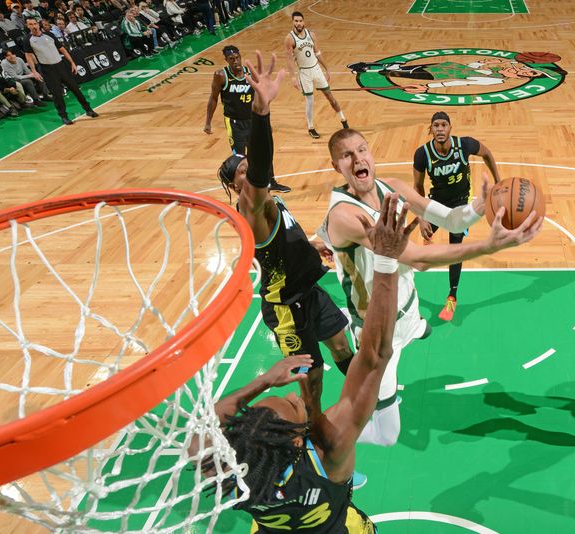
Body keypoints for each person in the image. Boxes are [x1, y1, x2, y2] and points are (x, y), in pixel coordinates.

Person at [321, 128, 543, 447]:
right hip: (378, 333)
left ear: (371, 154)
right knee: (388, 435)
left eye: (362, 150)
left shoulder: (393, 188)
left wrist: (478, 208)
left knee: (418, 321)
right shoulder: (344, 216)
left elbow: (452, 221)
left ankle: (418, 326)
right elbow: (419, 259)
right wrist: (487, 247)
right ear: (336, 166)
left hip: (409, 308)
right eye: (347, 155)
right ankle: (320, 442)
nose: (358, 158)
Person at [211, 192, 413, 533]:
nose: (294, 396)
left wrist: (262, 383)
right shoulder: (328, 452)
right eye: (294, 408)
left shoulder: (238, 471)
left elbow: (211, 419)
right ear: (295, 441)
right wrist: (386, 261)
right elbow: (375, 355)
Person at [412, 111, 502, 321]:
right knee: (415, 241)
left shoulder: (465, 145)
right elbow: (417, 186)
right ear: (431, 129)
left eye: (444, 125)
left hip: (460, 203)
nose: (440, 129)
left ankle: (452, 295)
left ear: (450, 128)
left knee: (456, 249)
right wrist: (421, 217)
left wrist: (499, 181)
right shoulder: (422, 153)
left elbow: (487, 153)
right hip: (436, 203)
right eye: (436, 125)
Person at [207, 46, 291, 193]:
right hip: (234, 123)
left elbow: (262, 95)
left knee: (265, 150)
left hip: (253, 119)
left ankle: (271, 182)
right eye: (231, 59)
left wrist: (265, 119)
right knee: (240, 159)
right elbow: (213, 98)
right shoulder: (221, 75)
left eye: (237, 57)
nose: (235, 61)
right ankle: (243, 188)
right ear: (226, 60)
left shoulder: (249, 74)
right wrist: (208, 122)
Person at [284, 11, 348, 139]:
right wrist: (292, 77)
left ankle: (343, 120)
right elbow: (289, 59)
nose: (298, 23)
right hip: (304, 72)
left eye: (300, 21)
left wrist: (327, 68)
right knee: (310, 100)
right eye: (296, 21)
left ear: (304, 21)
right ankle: (311, 127)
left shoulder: (311, 34)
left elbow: (317, 52)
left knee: (330, 96)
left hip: (316, 69)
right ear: (292, 22)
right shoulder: (289, 38)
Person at [22, 17, 98, 125]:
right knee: (57, 95)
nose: (33, 26)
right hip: (47, 69)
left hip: (61, 65)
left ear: (38, 24)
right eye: (30, 24)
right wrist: (34, 71)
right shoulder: (27, 40)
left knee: (75, 89)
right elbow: (28, 56)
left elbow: (62, 49)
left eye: (35, 23)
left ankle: (88, 110)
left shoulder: (49, 35)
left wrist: (72, 62)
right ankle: (64, 116)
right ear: (27, 26)